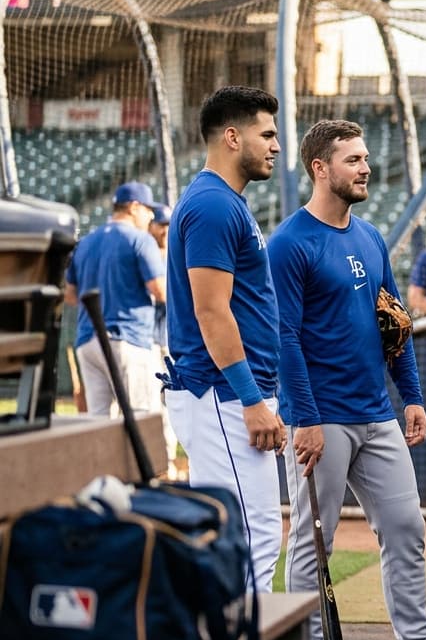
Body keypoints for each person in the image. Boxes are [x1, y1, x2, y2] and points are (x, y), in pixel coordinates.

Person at [268, 119, 426, 640]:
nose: (365, 168)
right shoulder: (290, 243)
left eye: (366, 158)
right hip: (321, 418)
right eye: (352, 160)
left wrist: (413, 395)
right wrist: (305, 417)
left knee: (405, 530)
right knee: (310, 545)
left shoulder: (370, 237)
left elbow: (392, 322)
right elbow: (285, 336)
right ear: (320, 169)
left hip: (376, 415)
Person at [163, 85, 287, 593]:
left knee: (248, 533)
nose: (276, 145)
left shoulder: (224, 202)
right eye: (268, 133)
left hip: (229, 393)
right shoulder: (214, 204)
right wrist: (252, 399)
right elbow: (211, 313)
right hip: (223, 393)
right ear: (233, 137)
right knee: (249, 535)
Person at [64, 182, 167, 440]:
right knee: (142, 420)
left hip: (88, 341)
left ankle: (102, 479)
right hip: (128, 339)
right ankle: (145, 480)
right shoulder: (140, 239)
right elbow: (160, 290)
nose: (151, 216)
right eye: (147, 210)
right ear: (133, 207)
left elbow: (70, 294)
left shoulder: (86, 242)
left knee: (98, 423)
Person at [148, 202, 180, 477]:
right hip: (150, 340)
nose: (165, 230)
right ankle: (154, 465)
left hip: (169, 340)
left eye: (168, 225)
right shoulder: (147, 255)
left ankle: (167, 463)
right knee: (148, 404)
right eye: (161, 224)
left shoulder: (174, 254)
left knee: (171, 404)